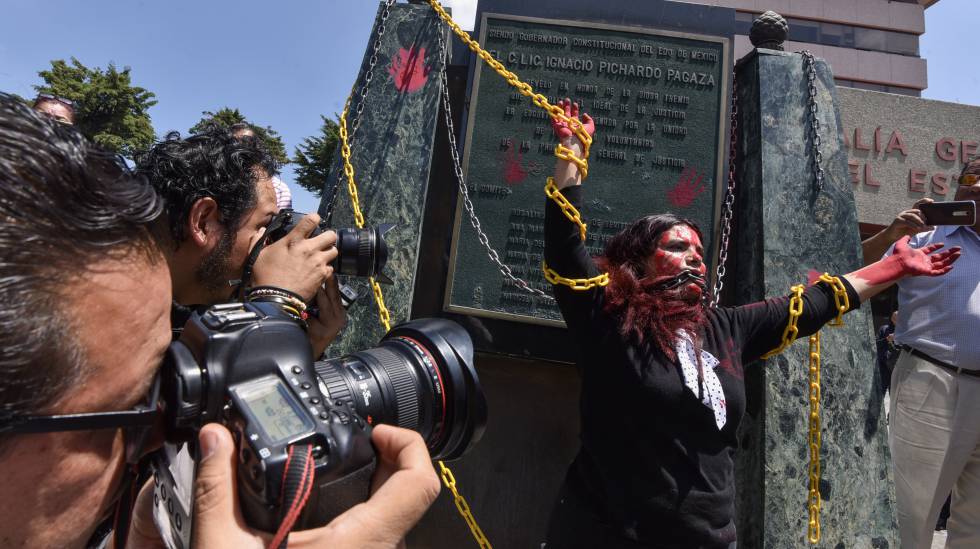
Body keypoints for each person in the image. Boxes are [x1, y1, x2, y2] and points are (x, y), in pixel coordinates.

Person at [0, 94, 439, 548]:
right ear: (205, 220)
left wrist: (294, 343)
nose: (158, 437)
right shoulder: (101, 311)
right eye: (140, 407)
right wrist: (273, 305)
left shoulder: (149, 300)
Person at [541, 99, 960, 548]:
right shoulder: (608, 317)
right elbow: (565, 250)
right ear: (638, 262)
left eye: (700, 252)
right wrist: (571, 155)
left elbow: (814, 303)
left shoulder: (725, 329)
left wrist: (893, 267)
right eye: (678, 247)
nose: (696, 258)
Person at [136, 128, 344, 356]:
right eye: (263, 226)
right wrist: (277, 302)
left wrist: (305, 348)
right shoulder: (113, 309)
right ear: (204, 222)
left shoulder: (175, 304)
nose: (270, 244)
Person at [887, 158, 980, 549]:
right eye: (970, 177)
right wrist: (893, 232)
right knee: (911, 516)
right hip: (932, 380)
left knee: (976, 525)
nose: (976, 186)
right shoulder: (923, 237)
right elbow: (843, 273)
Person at [230, 122, 293, 210]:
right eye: (233, 142)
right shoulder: (212, 182)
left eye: (247, 141)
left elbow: (281, 222)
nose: (241, 147)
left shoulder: (279, 188)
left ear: (257, 147)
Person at [875, 310, 900, 396]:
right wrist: (887, 339)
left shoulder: (904, 333)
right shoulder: (884, 329)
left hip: (897, 368)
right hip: (883, 366)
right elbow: (876, 344)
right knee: (879, 393)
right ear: (892, 318)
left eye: (899, 318)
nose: (896, 320)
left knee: (894, 395)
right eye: (895, 317)